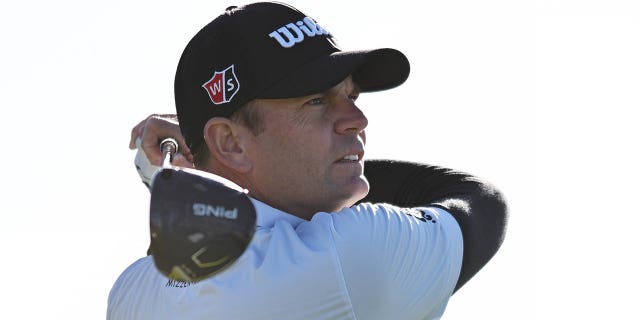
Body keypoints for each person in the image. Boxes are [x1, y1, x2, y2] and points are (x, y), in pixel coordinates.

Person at [108, 2, 508, 319]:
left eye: (350, 95)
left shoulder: (131, 292)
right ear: (231, 143)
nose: (357, 119)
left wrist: (202, 162)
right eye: (316, 101)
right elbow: (479, 201)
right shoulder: (348, 255)